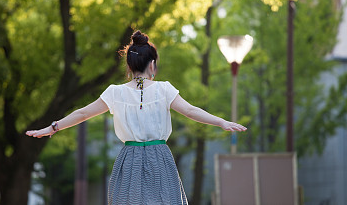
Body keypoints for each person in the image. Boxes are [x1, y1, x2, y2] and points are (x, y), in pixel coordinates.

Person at [26, 30, 247, 205]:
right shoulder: (164, 89)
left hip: (128, 159)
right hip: (160, 157)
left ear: (129, 66)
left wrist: (52, 127)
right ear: (152, 64)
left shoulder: (115, 92)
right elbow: (191, 111)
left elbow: (82, 113)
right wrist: (221, 121)